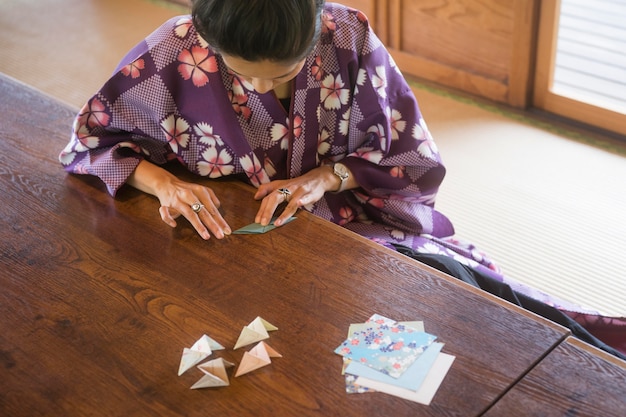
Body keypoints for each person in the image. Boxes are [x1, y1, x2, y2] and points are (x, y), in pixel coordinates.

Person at [60, 0, 626, 359]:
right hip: (229, 250)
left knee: (461, 295)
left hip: (349, 227)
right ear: (205, 34)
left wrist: (326, 179)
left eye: (281, 74)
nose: (259, 89)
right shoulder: (170, 50)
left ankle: (598, 354)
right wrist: (165, 185)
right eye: (239, 72)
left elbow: (409, 154)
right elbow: (91, 140)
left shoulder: (347, 36)